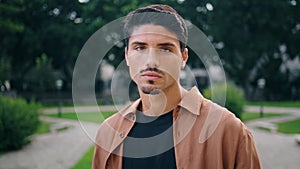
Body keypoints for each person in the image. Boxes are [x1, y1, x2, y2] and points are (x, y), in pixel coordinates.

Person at [92, 4, 261, 169]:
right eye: (140, 47)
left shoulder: (228, 130)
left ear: (183, 57)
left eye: (165, 49)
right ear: (127, 56)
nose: (151, 61)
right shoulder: (108, 132)